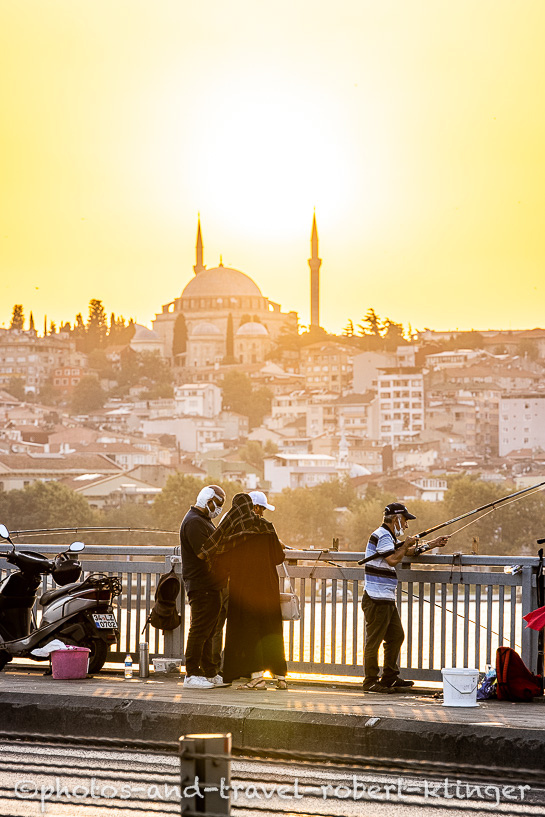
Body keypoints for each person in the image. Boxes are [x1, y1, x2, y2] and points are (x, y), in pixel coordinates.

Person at [198, 492, 288, 690]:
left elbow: (224, 560)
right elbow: (278, 557)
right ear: (254, 507)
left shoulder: (235, 529)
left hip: (246, 590)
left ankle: (257, 678)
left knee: (250, 632)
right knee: (272, 629)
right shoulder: (267, 527)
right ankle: (280, 677)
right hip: (269, 588)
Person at [361, 502, 449, 694]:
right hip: (376, 598)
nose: (407, 525)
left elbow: (406, 552)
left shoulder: (388, 537)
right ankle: (370, 682)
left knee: (396, 635)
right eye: (405, 520)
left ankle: (390, 677)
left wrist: (432, 544)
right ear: (396, 519)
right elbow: (393, 559)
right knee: (373, 641)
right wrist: (407, 544)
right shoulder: (383, 535)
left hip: (385, 597)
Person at [180, 485, 228, 689]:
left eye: (221, 506)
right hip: (201, 584)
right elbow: (202, 553)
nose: (217, 509)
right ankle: (191, 674)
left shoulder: (205, 522)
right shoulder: (193, 522)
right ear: (206, 500)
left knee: (210, 630)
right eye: (216, 504)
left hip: (212, 584)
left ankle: (210, 672)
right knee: (199, 630)